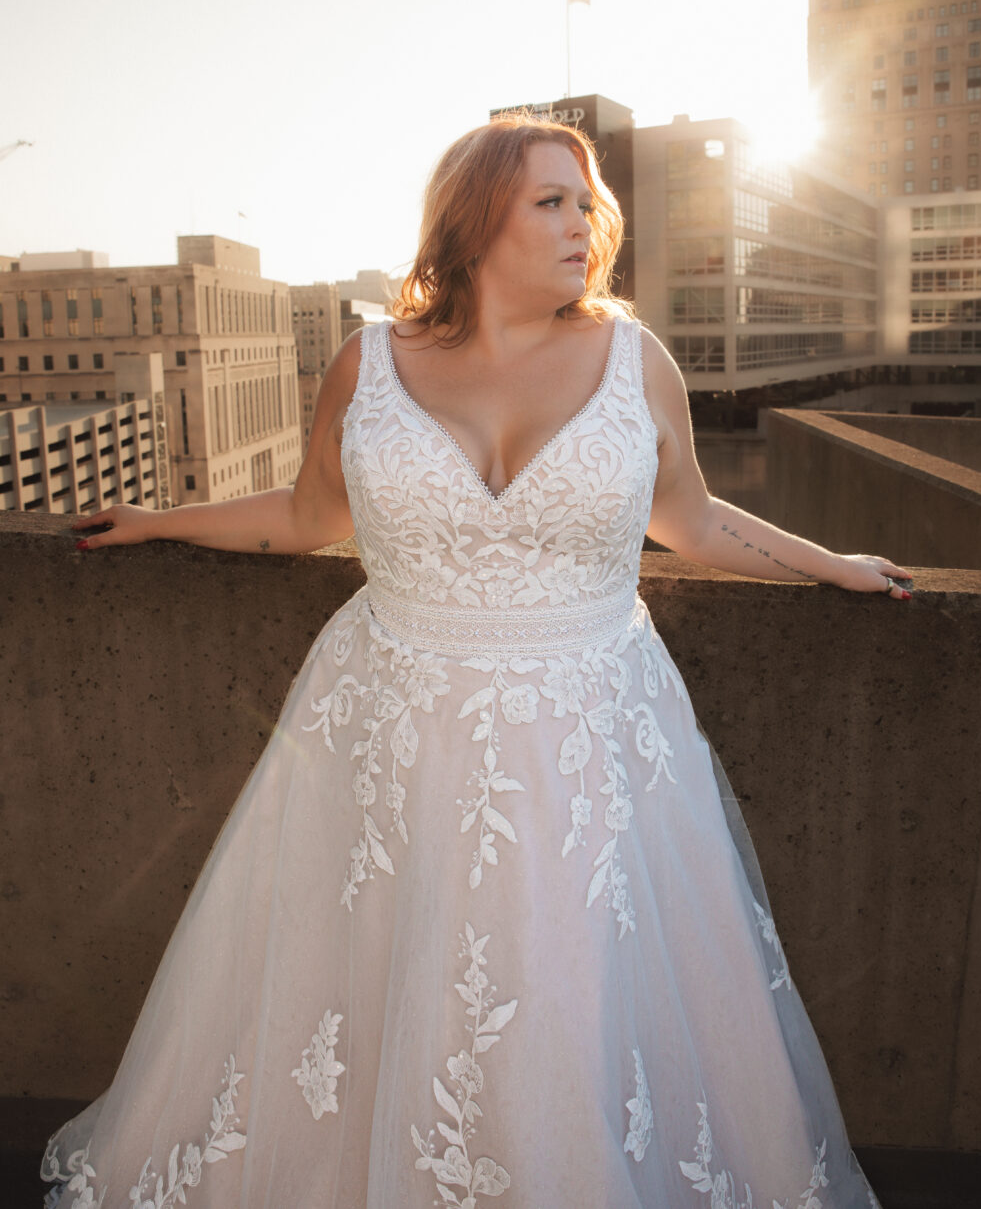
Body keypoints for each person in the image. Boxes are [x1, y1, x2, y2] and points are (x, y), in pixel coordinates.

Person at [44, 114, 908, 1209]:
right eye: (550, 199)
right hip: (391, 735)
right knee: (369, 996)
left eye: (584, 202)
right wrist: (164, 523)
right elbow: (311, 515)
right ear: (474, 219)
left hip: (587, 738)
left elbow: (688, 519)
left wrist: (829, 565)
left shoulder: (634, 359)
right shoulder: (367, 364)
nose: (581, 222)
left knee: (566, 1006)